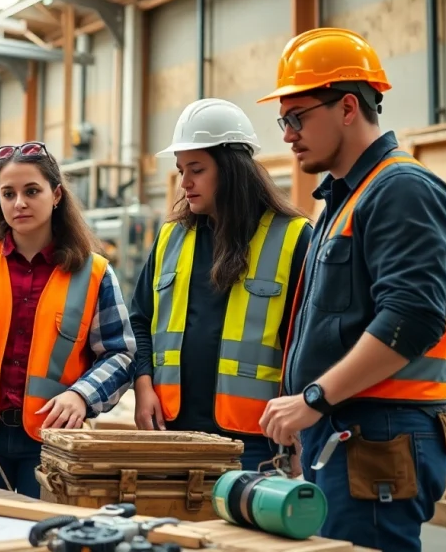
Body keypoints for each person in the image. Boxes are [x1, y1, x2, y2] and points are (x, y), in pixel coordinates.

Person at [255, 28, 446, 552]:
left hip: (379, 431)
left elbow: (411, 318)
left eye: (296, 116)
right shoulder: (346, 200)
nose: (287, 133)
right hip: (348, 427)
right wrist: (314, 418)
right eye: (284, 120)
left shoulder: (402, 190)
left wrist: (314, 398)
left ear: (348, 106)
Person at [0, 141, 136, 498]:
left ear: (56, 195)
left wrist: (82, 396)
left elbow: (121, 354)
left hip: (56, 443)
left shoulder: (94, 273)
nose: (18, 203)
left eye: (31, 191)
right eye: (8, 193)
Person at [129, 98, 312, 472]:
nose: (185, 183)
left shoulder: (294, 238)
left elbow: (308, 343)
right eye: (181, 170)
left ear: (232, 170)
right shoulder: (170, 239)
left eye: (196, 169)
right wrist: (143, 387)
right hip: (172, 432)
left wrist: (300, 430)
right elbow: (139, 321)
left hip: (255, 443)